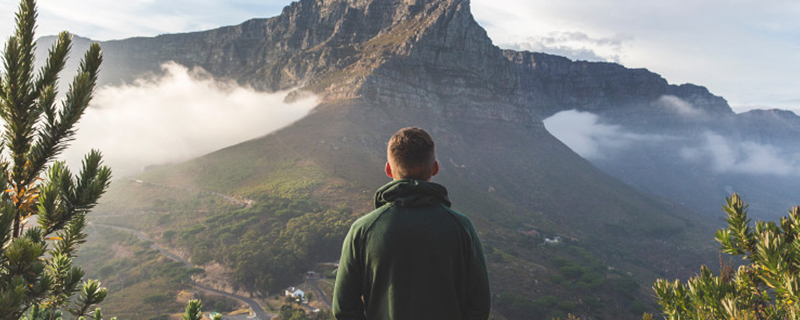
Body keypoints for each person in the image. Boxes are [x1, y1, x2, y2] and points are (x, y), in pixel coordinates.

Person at [332, 127, 491, 320]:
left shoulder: (363, 230)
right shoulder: (461, 227)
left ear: (389, 169)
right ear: (435, 168)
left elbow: (344, 308)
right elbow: (479, 305)